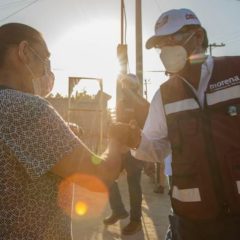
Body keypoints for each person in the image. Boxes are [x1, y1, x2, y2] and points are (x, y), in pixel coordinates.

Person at [117, 8, 240, 240]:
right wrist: (135, 139)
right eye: (161, 45)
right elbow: (156, 148)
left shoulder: (235, 71)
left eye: (172, 39)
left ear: (198, 37)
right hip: (192, 223)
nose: (165, 50)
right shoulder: (164, 95)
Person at [0, 23, 122, 240]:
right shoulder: (26, 108)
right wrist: (117, 140)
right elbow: (100, 177)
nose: (47, 70)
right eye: (44, 59)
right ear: (24, 52)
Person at [103, 74, 149, 235]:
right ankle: (118, 210)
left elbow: (148, 130)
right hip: (120, 149)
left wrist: (133, 142)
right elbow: (119, 126)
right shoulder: (121, 103)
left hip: (135, 151)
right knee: (106, 176)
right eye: (122, 85)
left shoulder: (143, 105)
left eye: (126, 85)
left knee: (133, 184)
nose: (123, 88)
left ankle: (135, 221)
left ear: (134, 86)